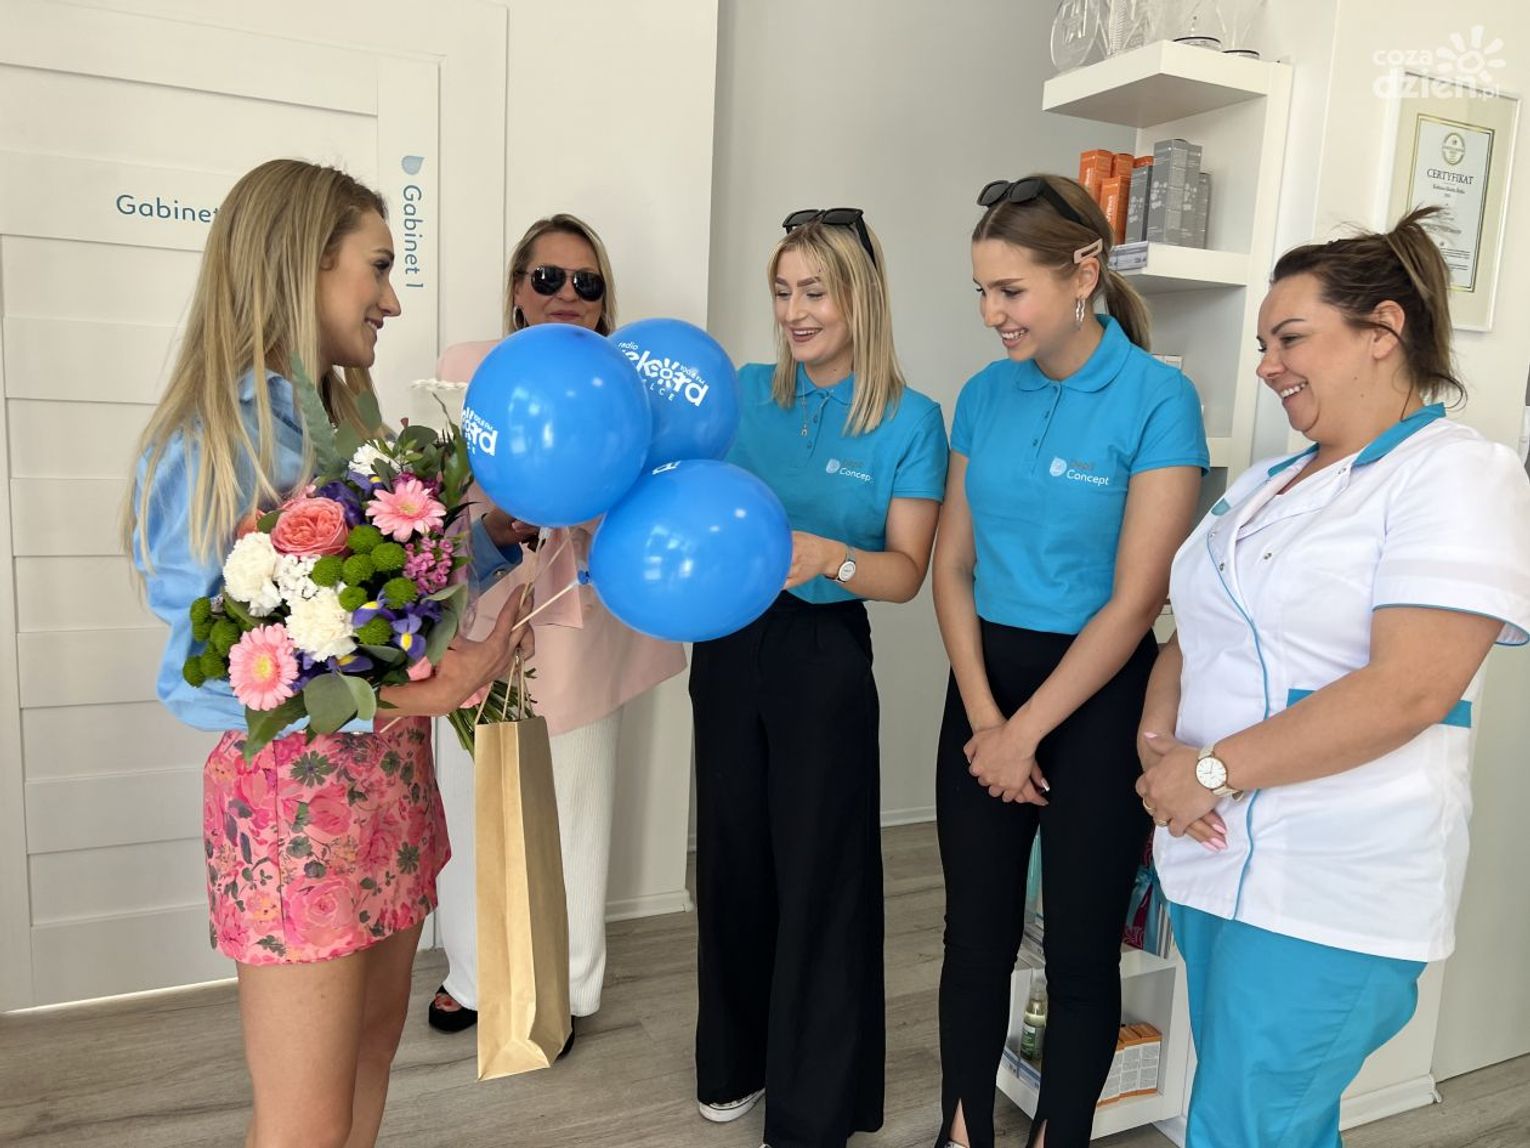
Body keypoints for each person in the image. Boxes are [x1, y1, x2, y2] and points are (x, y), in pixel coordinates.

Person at [127, 159, 530, 1148]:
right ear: (303, 262)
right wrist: (411, 699)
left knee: (370, 1061)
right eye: (378, 268)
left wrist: (488, 541)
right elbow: (199, 677)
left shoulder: (354, 423)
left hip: (390, 793)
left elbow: (392, 604)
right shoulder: (214, 438)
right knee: (304, 1123)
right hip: (292, 816)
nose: (392, 300)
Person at [1137, 206, 1530, 1148]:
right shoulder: (1263, 485)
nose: (1267, 365)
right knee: (1250, 1116)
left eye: (1290, 338)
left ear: (1383, 330)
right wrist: (1160, 755)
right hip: (1214, 857)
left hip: (1335, 879)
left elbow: (1410, 689)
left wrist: (1211, 770)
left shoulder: (1457, 476)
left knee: (1246, 1127)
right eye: (1264, 344)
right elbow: (1190, 634)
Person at [931, 175, 1207, 1148]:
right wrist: (986, 720)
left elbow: (1136, 601)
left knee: (1082, 953)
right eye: (982, 290)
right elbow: (952, 565)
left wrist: (1026, 734)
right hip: (984, 688)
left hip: (1098, 700)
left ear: (1083, 272)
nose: (991, 312)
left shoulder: (1158, 398)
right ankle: (962, 1132)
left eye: (1010, 290)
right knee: (974, 939)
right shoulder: (983, 394)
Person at [690, 208, 948, 1148]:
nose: (795, 312)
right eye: (782, 291)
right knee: (731, 858)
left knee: (821, 873)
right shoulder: (743, 393)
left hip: (823, 654)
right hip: (727, 644)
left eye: (815, 292)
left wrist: (827, 555)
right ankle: (733, 1062)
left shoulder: (912, 420)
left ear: (861, 297)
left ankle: (815, 1104)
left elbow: (906, 574)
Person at [427, 213, 687, 1045]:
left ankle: (569, 987)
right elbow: (430, 505)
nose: (567, 294)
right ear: (517, 289)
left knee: (575, 811)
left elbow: (651, 509)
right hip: (477, 617)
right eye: (547, 278)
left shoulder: (631, 387)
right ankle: (470, 975)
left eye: (587, 282)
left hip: (580, 621)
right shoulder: (467, 369)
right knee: (471, 804)